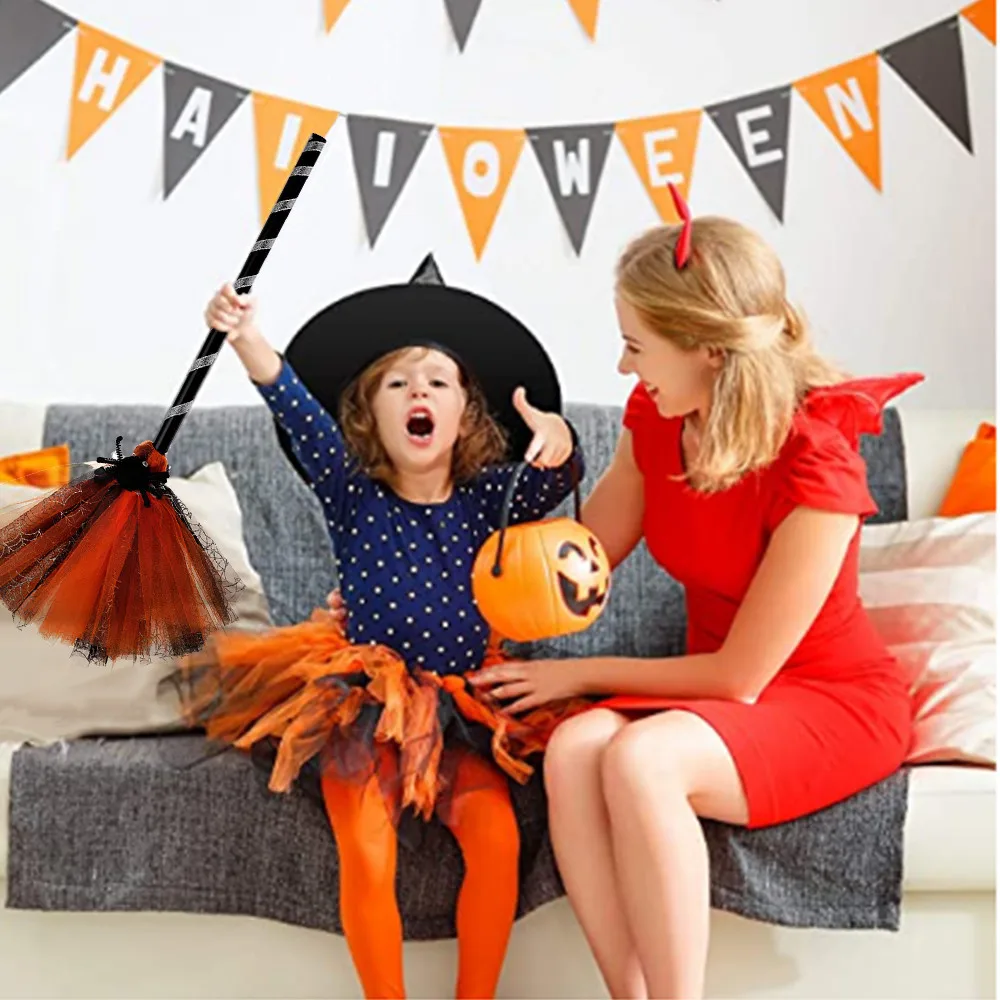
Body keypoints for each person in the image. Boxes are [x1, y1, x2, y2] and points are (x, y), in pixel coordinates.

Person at [461, 197, 923, 999]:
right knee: (574, 750)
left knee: (643, 758)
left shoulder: (817, 460)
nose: (623, 368)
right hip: (711, 694)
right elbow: (579, 564)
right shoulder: (657, 417)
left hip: (825, 697)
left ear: (708, 347)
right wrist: (512, 492)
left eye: (636, 345)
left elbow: (740, 676)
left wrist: (576, 675)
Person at [171, 277, 586, 1000]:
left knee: (497, 841)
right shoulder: (351, 490)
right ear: (369, 413)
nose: (417, 390)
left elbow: (558, 479)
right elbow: (292, 405)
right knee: (366, 851)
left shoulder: (489, 498)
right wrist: (245, 336)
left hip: (460, 711)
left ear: (465, 413)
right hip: (360, 705)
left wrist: (560, 437)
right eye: (397, 382)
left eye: (437, 381)